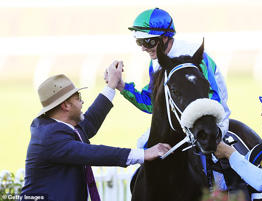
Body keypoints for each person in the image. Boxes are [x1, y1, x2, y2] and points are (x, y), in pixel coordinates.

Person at [20, 61, 171, 201]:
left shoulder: (61, 127)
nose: (82, 101)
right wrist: (144, 154)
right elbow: (94, 153)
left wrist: (112, 85)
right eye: (78, 97)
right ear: (65, 105)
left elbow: (90, 122)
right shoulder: (50, 137)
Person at [109, 8, 230, 148]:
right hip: (179, 121)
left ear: (164, 37)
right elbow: (151, 104)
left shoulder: (194, 55)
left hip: (212, 118)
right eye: (139, 42)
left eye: (148, 42)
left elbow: (212, 96)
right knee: (142, 146)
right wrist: (122, 86)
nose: (143, 48)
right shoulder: (156, 62)